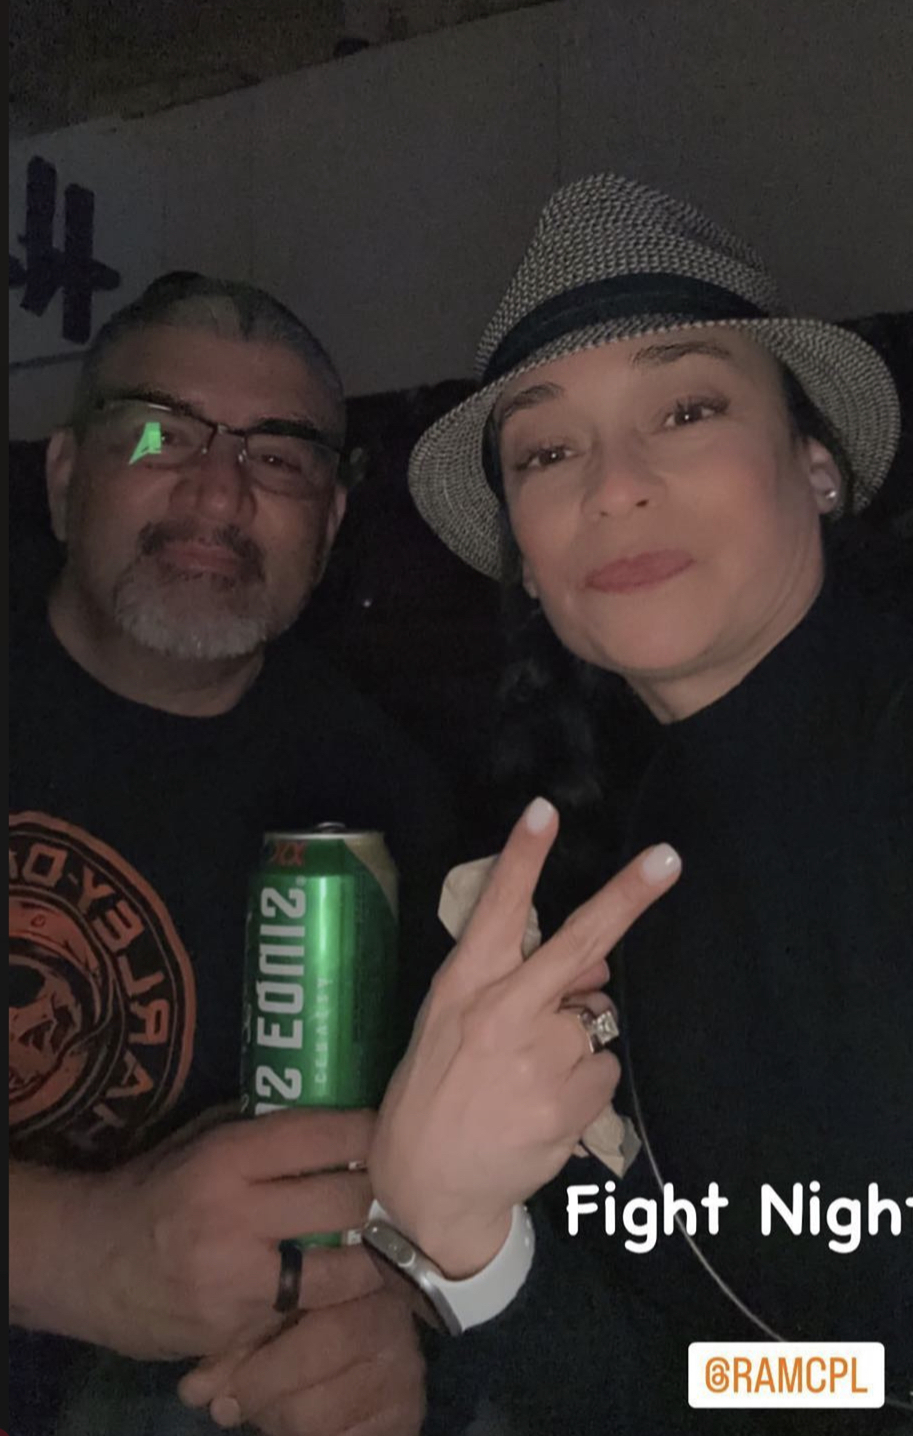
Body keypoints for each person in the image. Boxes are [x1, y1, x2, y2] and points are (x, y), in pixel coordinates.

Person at [360, 174, 913, 1433]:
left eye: (687, 408)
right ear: (527, 561)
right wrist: (457, 1232)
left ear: (817, 465)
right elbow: (707, 1378)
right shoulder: (588, 876)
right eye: (548, 450)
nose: (613, 486)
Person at [9, 273, 459, 1436]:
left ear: (332, 523)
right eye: (159, 435)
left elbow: (429, 1194)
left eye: (278, 456)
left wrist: (390, 1323)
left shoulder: (390, 805)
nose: (218, 493)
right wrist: (66, 1251)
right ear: (64, 476)